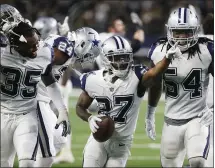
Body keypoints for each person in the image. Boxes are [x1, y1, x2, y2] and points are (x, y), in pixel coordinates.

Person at [76, 35, 182, 167]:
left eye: (125, 57)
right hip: (98, 141)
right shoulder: (93, 79)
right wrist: (90, 118)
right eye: (117, 58)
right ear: (106, 58)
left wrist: (167, 59)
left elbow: (154, 74)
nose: (122, 62)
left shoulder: (137, 75)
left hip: (122, 143)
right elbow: (80, 107)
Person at [146, 7, 213, 167]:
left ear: (196, 31)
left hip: (198, 117)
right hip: (172, 119)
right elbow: (154, 84)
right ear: (169, 31)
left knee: (198, 160)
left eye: (187, 32)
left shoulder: (208, 50)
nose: (182, 37)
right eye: (177, 32)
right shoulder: (159, 50)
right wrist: (150, 113)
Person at [0, 20, 70, 167]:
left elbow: (50, 81)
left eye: (36, 43)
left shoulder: (44, 52)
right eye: (31, 46)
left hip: (27, 115)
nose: (36, 48)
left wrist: (62, 109)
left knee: (27, 162)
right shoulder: (3, 54)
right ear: (16, 46)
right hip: (3, 114)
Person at [53, 27, 102, 164]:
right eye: (88, 53)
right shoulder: (62, 45)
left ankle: (63, 152)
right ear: (82, 43)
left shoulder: (67, 46)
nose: (87, 58)